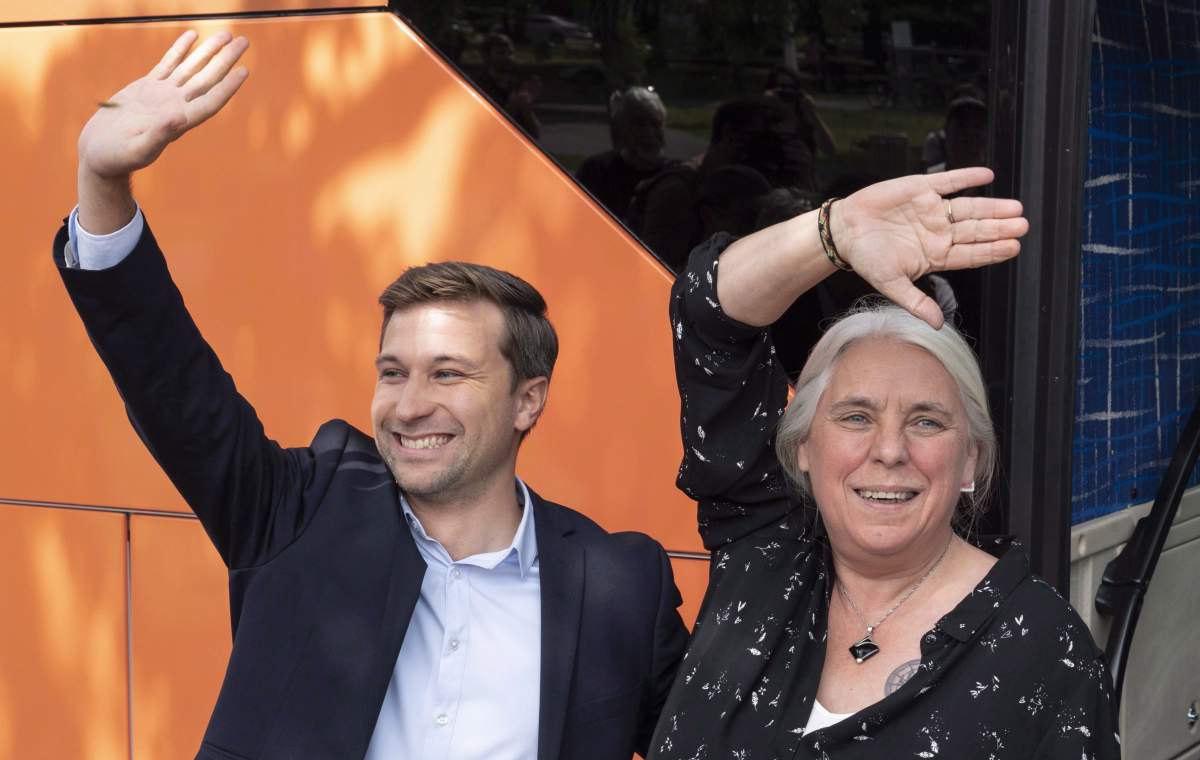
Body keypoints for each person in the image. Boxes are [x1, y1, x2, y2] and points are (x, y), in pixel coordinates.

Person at [56, 31, 686, 760]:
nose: (408, 405)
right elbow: (172, 384)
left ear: (528, 400)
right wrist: (102, 184)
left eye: (447, 374)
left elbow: (716, 733)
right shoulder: (300, 510)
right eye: (393, 372)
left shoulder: (620, 584)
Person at [649, 169, 1121, 758]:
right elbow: (708, 318)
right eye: (856, 417)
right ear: (803, 446)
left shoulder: (1047, 649)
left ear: (971, 459)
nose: (890, 450)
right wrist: (834, 233)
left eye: (926, 422)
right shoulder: (765, 551)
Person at [575, 86, 671, 219]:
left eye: (656, 124)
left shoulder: (674, 176)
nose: (649, 132)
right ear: (622, 129)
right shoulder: (597, 172)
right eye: (640, 124)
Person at [474, 32, 542, 139]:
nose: (508, 58)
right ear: (487, 56)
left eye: (510, 53)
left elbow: (535, 134)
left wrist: (526, 108)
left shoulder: (517, 85)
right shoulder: (477, 87)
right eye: (501, 53)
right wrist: (513, 106)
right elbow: (487, 130)